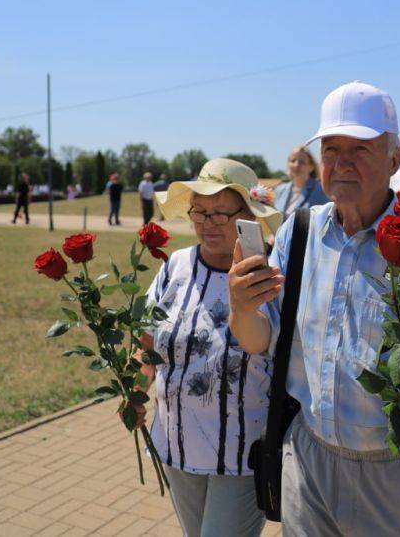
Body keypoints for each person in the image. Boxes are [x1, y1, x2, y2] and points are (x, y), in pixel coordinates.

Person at [228, 81, 400, 536]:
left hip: (398, 469)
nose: (342, 162)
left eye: (361, 148)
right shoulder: (299, 234)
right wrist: (241, 306)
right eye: (331, 149)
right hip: (309, 460)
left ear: (394, 159)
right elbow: (261, 339)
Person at [134, 159, 282, 537]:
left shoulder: (272, 272)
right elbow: (148, 341)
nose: (206, 223)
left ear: (250, 215)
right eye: (199, 212)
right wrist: (135, 392)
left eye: (219, 213)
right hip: (177, 446)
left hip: (242, 455)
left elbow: (266, 345)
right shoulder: (175, 267)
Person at [273, 145, 329, 217]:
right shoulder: (279, 190)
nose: (296, 165)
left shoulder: (322, 191)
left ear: (311, 167)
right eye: (293, 161)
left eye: (301, 162)